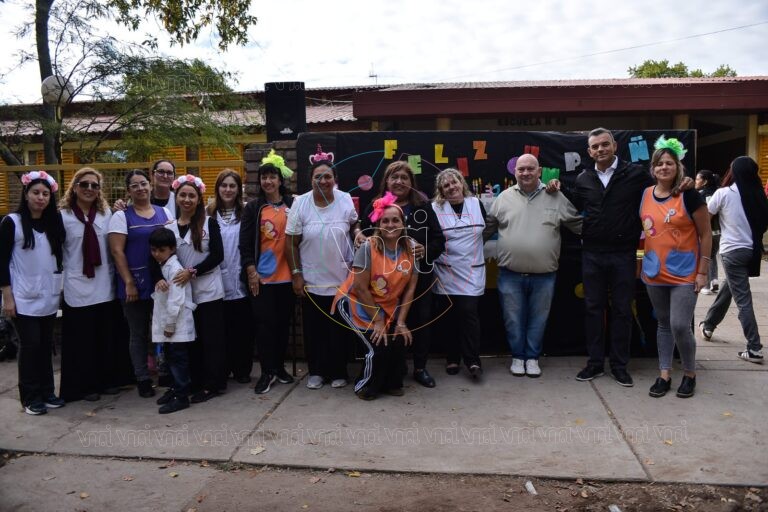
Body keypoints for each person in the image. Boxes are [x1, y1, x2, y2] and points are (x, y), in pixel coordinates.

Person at [571, 127, 692, 387]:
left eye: (605, 144)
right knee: (593, 310)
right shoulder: (583, 179)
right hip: (592, 254)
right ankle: (594, 363)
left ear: (615, 146)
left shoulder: (636, 174)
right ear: (589, 151)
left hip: (623, 254)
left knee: (623, 310)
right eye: (595, 146)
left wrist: (686, 183)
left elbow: (662, 188)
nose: (600, 149)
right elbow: (574, 208)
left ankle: (619, 366)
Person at [484, 154, 582, 378]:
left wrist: (605, 234)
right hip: (510, 274)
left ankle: (532, 358)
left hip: (544, 275)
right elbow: (488, 228)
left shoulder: (555, 196)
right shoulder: (503, 198)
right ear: (515, 172)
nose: (526, 173)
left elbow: (577, 224)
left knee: (539, 319)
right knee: (513, 319)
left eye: (530, 168)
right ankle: (518, 357)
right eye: (521, 169)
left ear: (539, 171)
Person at [358, 161, 445, 388]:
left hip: (418, 278)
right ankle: (395, 368)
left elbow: (439, 240)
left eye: (404, 177)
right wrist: (358, 235)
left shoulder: (423, 207)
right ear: (386, 181)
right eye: (394, 177)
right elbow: (363, 233)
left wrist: (426, 250)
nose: (399, 181)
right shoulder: (375, 205)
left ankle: (420, 367)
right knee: (389, 323)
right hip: (383, 283)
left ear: (411, 182)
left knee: (420, 322)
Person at [640, 137, 712, 398]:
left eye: (669, 163)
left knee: (680, 325)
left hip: (685, 273)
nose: (664, 167)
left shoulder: (690, 195)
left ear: (678, 166)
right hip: (654, 272)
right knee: (663, 324)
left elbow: (706, 234)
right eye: (659, 164)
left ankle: (690, 374)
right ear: (653, 169)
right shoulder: (646, 194)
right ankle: (664, 374)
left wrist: (703, 272)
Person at [286, 146, 359, 390]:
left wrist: (359, 233)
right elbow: (291, 242)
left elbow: (354, 225)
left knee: (339, 329)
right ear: (311, 180)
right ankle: (316, 371)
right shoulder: (300, 203)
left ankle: (339, 371)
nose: (323, 180)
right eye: (318, 176)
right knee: (314, 329)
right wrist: (296, 275)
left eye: (328, 176)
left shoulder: (345, 199)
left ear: (334, 179)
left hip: (341, 277)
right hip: (311, 279)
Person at [332, 195, 418, 400]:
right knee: (377, 347)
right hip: (355, 303)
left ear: (403, 223)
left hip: (385, 306)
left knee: (398, 340)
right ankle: (365, 386)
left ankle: (392, 383)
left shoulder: (411, 249)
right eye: (385, 220)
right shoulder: (368, 247)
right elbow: (360, 289)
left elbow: (410, 290)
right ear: (378, 225)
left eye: (395, 220)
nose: (390, 224)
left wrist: (401, 322)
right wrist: (378, 321)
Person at [0, 171, 66, 415]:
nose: (40, 198)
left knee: (46, 345)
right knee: (30, 346)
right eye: (36, 192)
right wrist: (7, 297)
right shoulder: (12, 222)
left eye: (45, 194)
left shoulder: (52, 224)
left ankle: (47, 392)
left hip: (48, 296)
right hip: (22, 297)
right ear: (26, 194)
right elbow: (1, 262)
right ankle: (30, 397)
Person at [59, 168, 127, 402]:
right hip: (77, 284)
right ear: (74, 187)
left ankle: (107, 381)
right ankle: (84, 386)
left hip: (103, 283)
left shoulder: (106, 214)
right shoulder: (63, 216)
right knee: (82, 340)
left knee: (105, 336)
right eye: (84, 184)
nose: (89, 189)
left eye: (94, 185)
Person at [109, 170, 173, 398]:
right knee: (138, 333)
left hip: (161, 282)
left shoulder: (164, 212)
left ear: (150, 185)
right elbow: (117, 251)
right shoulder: (121, 216)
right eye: (134, 185)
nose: (140, 188)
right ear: (128, 190)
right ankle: (142, 377)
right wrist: (128, 282)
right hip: (134, 283)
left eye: (143, 183)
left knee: (163, 329)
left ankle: (164, 371)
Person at [698, 156, 768, 364]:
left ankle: (754, 348)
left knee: (743, 300)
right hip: (751, 252)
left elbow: (705, 217)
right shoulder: (759, 195)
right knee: (729, 287)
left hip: (732, 252)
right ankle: (709, 325)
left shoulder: (724, 193)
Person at [166, 175, 227, 402]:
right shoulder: (170, 227)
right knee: (191, 339)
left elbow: (218, 255)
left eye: (192, 195)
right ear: (176, 197)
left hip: (208, 290)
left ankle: (213, 384)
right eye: (182, 195)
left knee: (212, 339)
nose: (187, 199)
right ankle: (194, 381)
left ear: (199, 199)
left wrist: (193, 271)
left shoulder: (209, 223)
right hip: (183, 292)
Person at [239, 151, 296, 394]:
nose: (268, 181)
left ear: (280, 180)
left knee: (283, 326)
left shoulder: (293, 204)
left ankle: (279, 368)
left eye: (272, 176)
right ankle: (266, 371)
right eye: (264, 177)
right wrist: (251, 271)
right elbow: (245, 244)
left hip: (288, 277)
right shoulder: (253, 208)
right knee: (265, 326)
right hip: (262, 279)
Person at [430, 168, 486, 379]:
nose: (451, 187)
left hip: (472, 271)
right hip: (446, 272)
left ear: (462, 183)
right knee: (449, 318)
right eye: (446, 185)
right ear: (441, 190)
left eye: (454, 182)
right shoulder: (435, 208)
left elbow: (486, 228)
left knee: (469, 315)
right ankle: (452, 358)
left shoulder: (476, 204)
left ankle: (473, 361)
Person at [206, 169, 254, 384]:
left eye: (232, 186)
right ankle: (222, 369)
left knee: (242, 328)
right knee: (220, 329)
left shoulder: (246, 213)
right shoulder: (208, 214)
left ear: (238, 189)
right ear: (217, 188)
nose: (228, 189)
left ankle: (242, 370)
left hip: (240, 276)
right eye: (224, 185)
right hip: (215, 278)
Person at [149, 227, 196, 414]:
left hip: (176, 324)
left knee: (178, 360)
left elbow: (176, 300)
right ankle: (175, 389)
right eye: (153, 250)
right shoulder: (163, 266)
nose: (157, 254)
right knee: (170, 358)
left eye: (161, 250)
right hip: (170, 323)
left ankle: (182, 396)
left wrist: (169, 324)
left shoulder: (175, 269)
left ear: (172, 249)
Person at [695, 170, 721, 294]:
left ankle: (705, 286)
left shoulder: (700, 195)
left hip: (707, 232)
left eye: (697, 179)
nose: (695, 181)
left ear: (705, 181)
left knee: (705, 256)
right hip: (718, 232)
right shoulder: (718, 193)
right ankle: (714, 280)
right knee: (712, 255)